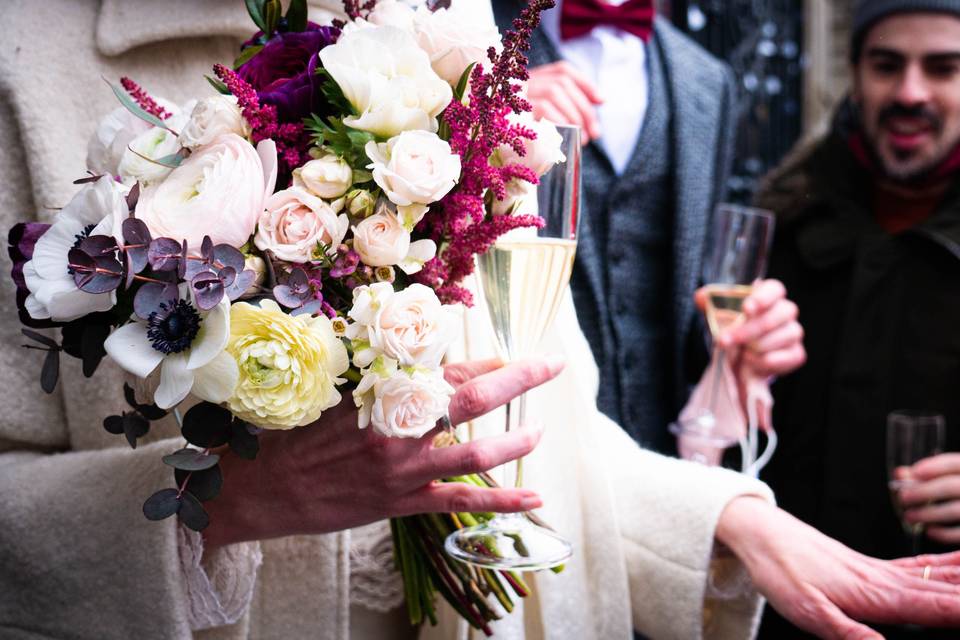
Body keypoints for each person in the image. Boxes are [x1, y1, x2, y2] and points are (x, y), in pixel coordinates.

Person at [2, 2, 960, 640]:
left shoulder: (446, 22)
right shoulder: (24, 62)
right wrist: (234, 503)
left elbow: (549, 423)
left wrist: (736, 519)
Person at [491, 0, 807, 454]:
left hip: (663, 457)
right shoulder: (470, 45)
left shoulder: (706, 81)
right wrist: (484, 117)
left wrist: (751, 341)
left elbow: (688, 301)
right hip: (520, 452)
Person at [754, 1, 960, 637]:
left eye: (945, 68)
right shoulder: (779, 221)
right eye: (886, 65)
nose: (910, 92)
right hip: (787, 616)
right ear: (854, 71)